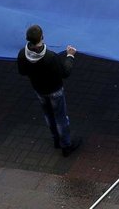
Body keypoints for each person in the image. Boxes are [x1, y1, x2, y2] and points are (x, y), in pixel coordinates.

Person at [16, 24, 81, 157]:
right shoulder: (50, 57)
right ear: (42, 37)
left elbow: (22, 72)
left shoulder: (22, 54)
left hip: (39, 90)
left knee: (49, 116)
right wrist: (70, 56)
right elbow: (65, 73)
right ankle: (66, 145)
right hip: (55, 90)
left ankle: (56, 140)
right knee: (61, 118)